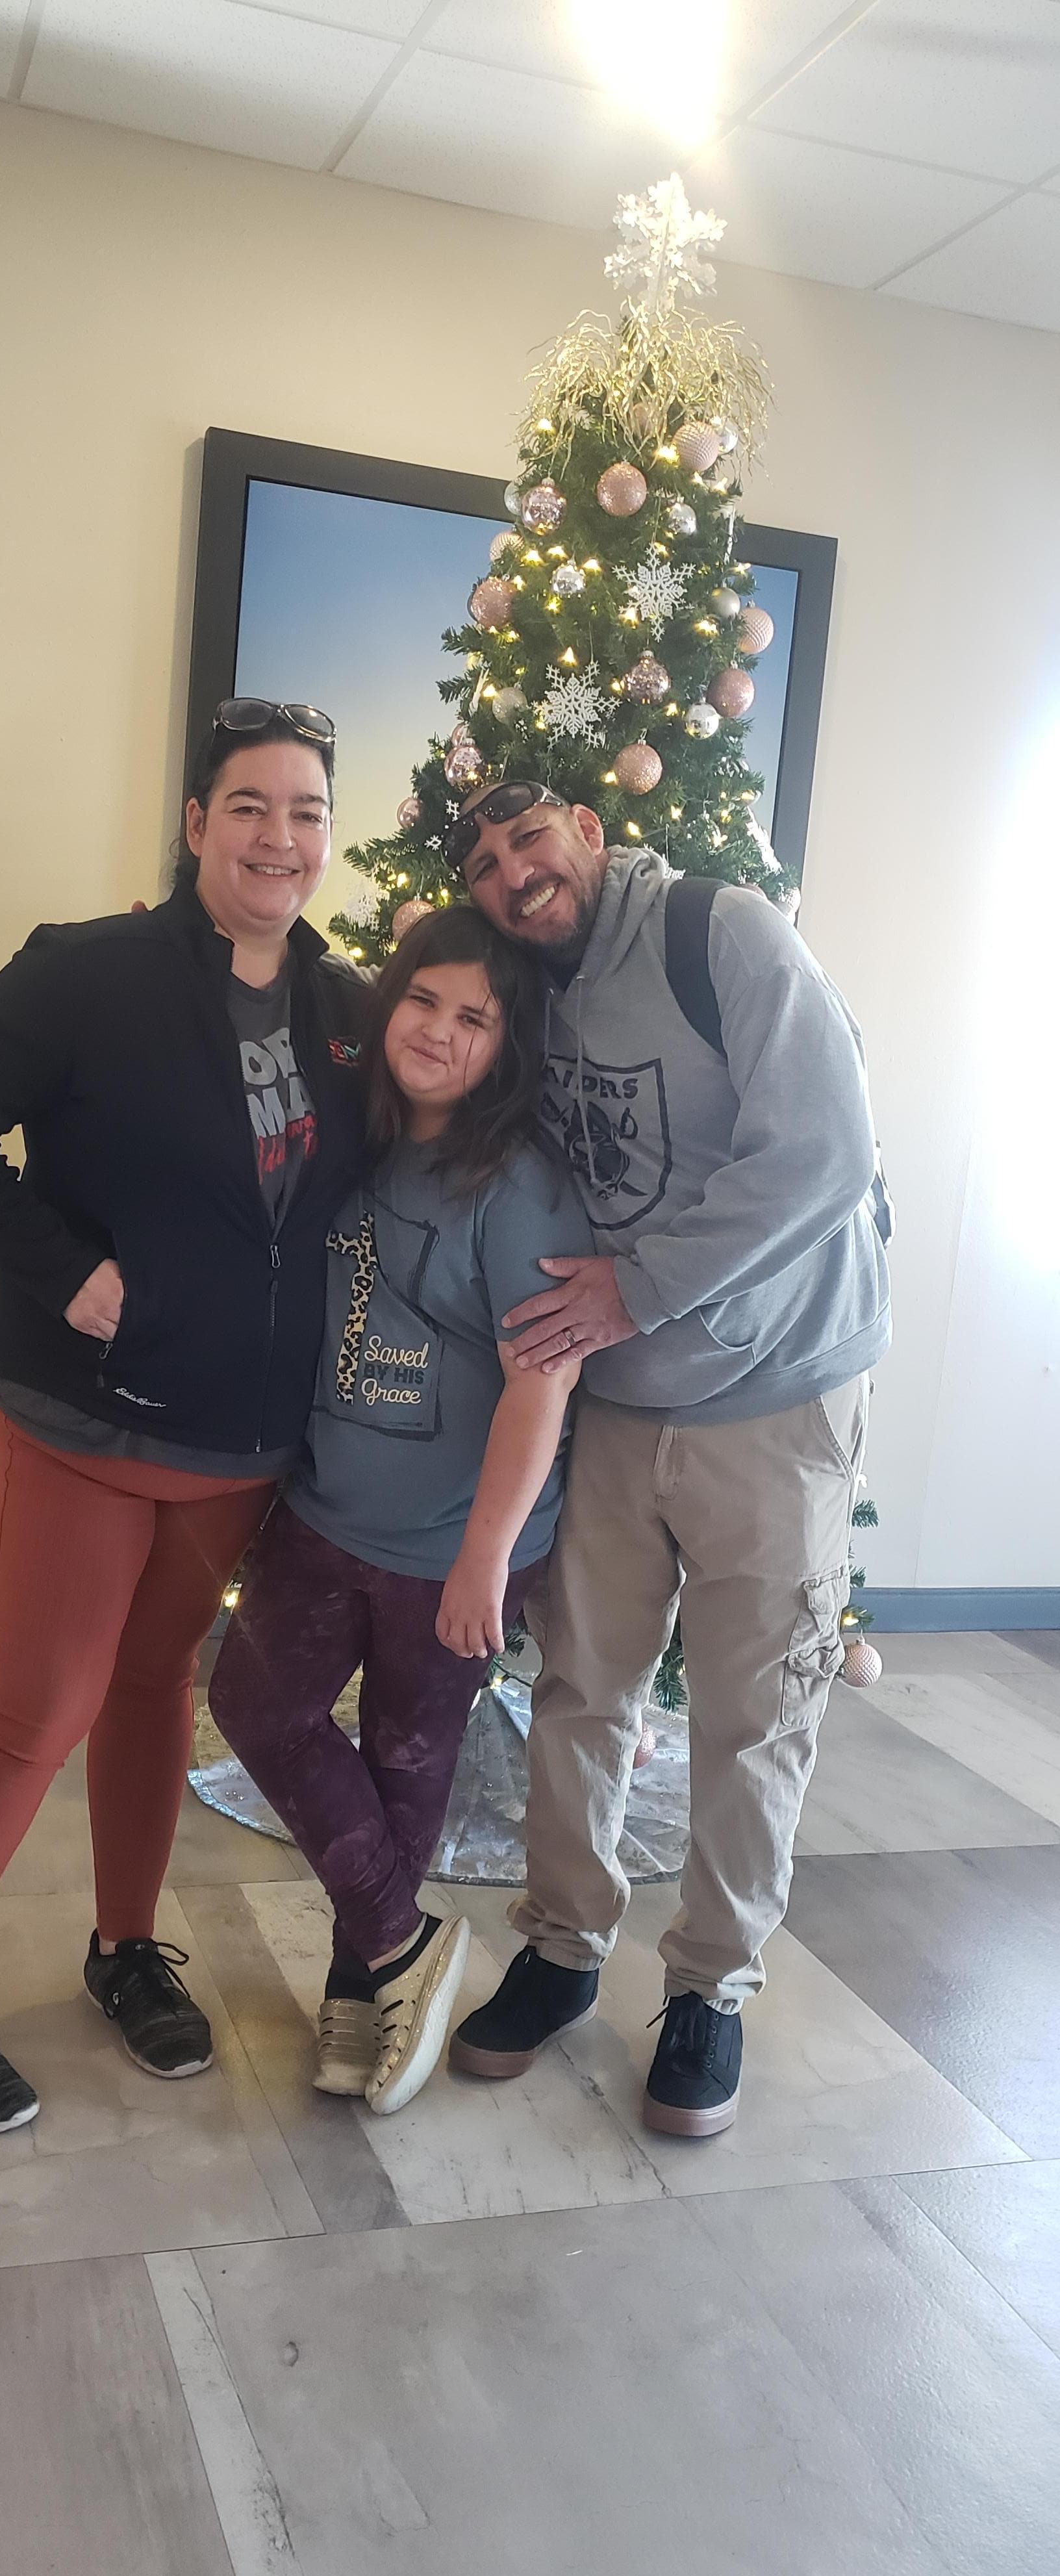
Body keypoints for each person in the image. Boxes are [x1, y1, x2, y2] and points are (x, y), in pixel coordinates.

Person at [0, 698, 369, 2134]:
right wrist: (61, 1266)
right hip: (78, 1415)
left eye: (308, 812)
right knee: (39, 1708)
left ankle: (123, 1948)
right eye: (252, 805)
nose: (282, 836)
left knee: (156, 1691)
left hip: (238, 1438)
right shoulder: (86, 970)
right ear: (197, 822)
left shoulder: (349, 1012)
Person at [442, 781, 890, 2137]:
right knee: (582, 1687)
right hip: (619, 1401)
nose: (513, 873)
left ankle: (708, 1988)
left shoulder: (722, 934)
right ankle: (563, 1946)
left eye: (528, 840)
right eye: (482, 863)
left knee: (756, 1712)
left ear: (583, 826)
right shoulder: (522, 988)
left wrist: (638, 1289)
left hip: (777, 1391)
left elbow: (824, 1148)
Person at [208, 904, 594, 2116]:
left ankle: (358, 1983)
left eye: (474, 1019)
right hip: (325, 1513)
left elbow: (547, 1375)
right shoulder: (354, 1144)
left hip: (450, 1550)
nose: (438, 1031)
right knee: (253, 1703)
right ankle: (403, 1944)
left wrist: (485, 1558)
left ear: (504, 1048)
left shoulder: (520, 1185)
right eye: (422, 1000)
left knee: (405, 1768)